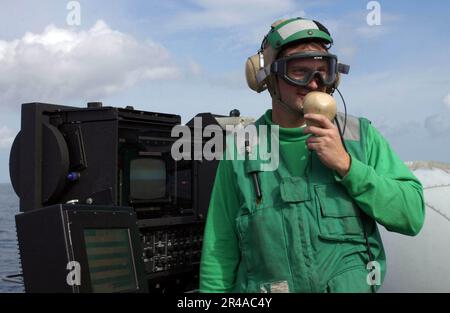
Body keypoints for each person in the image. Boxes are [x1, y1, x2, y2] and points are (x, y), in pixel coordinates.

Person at [199, 17, 425, 293]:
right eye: (299, 71)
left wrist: (347, 166)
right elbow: (220, 250)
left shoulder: (360, 137)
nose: (314, 83)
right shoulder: (242, 149)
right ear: (270, 77)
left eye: (323, 70)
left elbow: (411, 216)